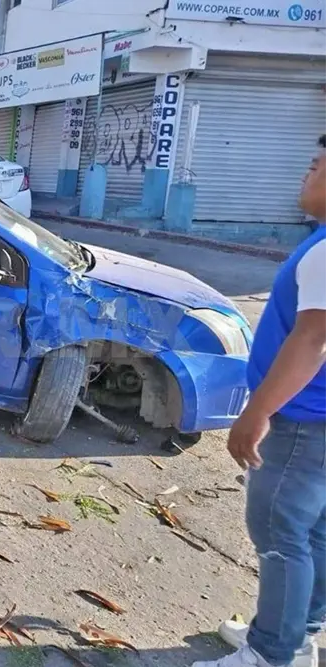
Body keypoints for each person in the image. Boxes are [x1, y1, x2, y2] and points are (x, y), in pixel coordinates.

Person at [193, 135, 326, 667]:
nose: (307, 173)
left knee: (279, 532)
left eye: (317, 166)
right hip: (316, 419)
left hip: (300, 419)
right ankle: (297, 632)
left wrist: (258, 411)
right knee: (312, 531)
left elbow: (312, 340)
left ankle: (272, 654)